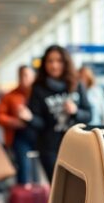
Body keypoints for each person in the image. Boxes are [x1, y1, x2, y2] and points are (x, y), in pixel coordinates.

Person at [26, 45, 91, 180]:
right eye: (50, 61)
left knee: (79, 187)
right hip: (50, 148)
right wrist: (29, 118)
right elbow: (39, 123)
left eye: (59, 61)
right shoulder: (38, 89)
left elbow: (88, 115)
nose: (54, 65)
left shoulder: (77, 84)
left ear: (65, 63)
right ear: (44, 64)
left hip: (77, 144)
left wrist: (75, 111)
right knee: (58, 189)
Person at [0, 65, 36, 186]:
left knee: (39, 171)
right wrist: (13, 122)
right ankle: (23, 198)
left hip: (38, 135)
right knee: (23, 167)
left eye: (26, 75)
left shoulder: (38, 95)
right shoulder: (10, 96)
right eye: (21, 75)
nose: (23, 78)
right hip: (18, 137)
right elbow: (0, 115)